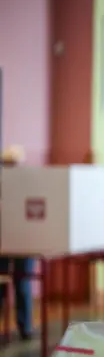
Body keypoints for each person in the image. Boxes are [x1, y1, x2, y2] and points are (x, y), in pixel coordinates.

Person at [0, 145, 33, 340]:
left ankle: (25, 327)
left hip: (23, 241)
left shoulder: (27, 186)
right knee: (3, 285)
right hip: (4, 242)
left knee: (22, 283)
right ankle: (7, 327)